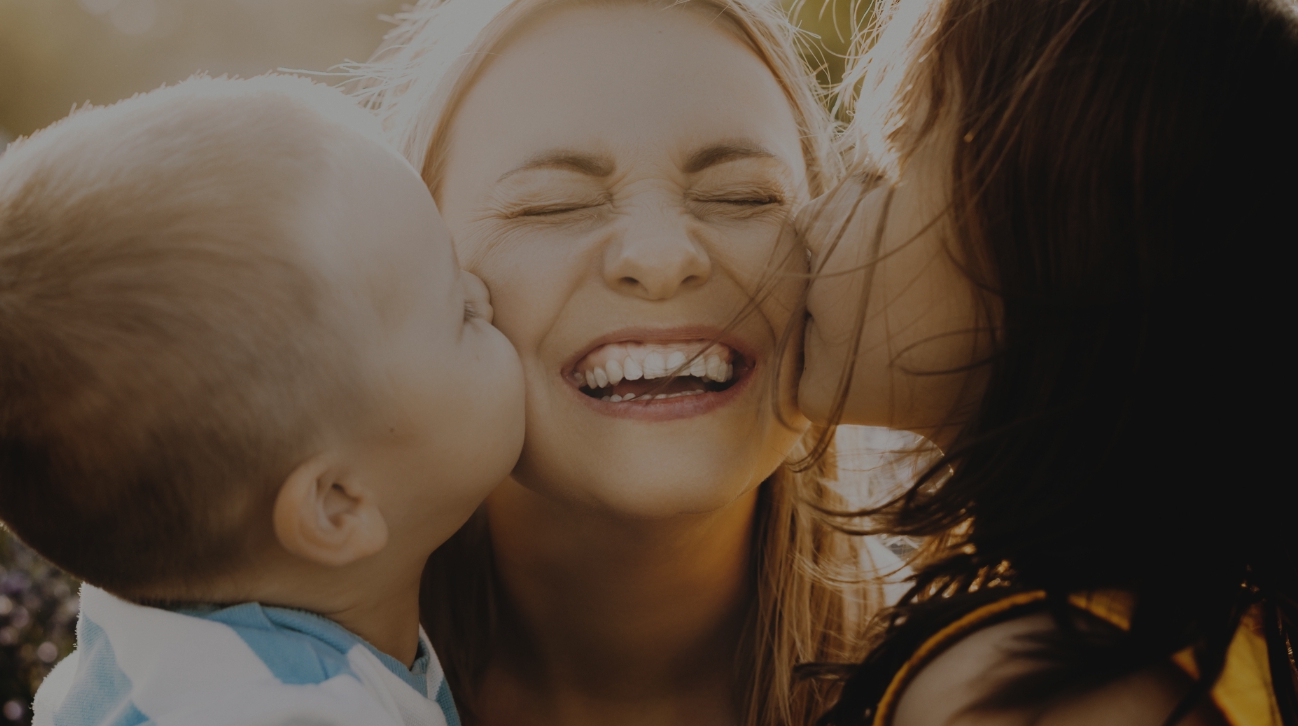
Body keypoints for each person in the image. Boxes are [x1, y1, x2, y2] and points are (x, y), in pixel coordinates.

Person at [346, 0, 896, 723]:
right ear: (419, 271)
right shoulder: (224, 685)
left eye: (743, 195)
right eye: (551, 206)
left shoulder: (973, 692)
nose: (662, 257)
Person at [0, 75, 525, 726]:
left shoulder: (151, 641)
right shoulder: (288, 714)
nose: (484, 292)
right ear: (337, 503)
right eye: (457, 311)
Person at [794, 0, 1298, 724]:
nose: (812, 221)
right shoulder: (1182, 633)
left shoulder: (1039, 693)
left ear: (1059, 248)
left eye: (882, 165)